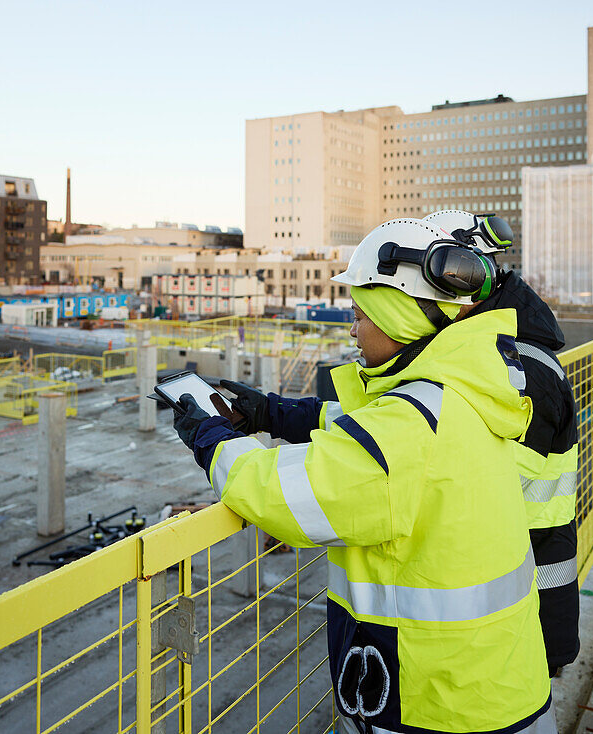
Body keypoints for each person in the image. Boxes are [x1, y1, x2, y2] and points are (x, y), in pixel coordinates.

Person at [172, 218, 556, 734]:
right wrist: (269, 413)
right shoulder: (465, 392)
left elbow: (286, 494)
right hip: (496, 687)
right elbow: (367, 436)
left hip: (438, 705)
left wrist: (209, 437)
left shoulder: (411, 424)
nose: (352, 329)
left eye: (360, 315)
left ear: (397, 317)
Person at [424, 210, 580, 676]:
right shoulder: (499, 350)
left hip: (525, 596)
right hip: (513, 580)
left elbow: (484, 481)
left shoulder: (522, 370)